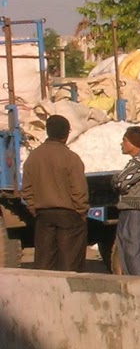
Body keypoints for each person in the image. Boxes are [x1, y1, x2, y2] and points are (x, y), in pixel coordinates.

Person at [21, 113, 88, 271]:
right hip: (69, 216)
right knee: (70, 264)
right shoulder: (71, 158)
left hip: (43, 216)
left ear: (48, 131)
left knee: (45, 264)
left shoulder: (33, 157)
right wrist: (81, 212)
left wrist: (34, 208)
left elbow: (27, 188)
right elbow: (79, 190)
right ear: (66, 134)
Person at [113, 126, 140, 276]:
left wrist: (118, 179)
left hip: (136, 213)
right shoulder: (136, 162)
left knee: (134, 253)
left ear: (134, 142)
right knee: (125, 251)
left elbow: (121, 181)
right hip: (128, 210)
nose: (122, 144)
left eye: (125, 140)